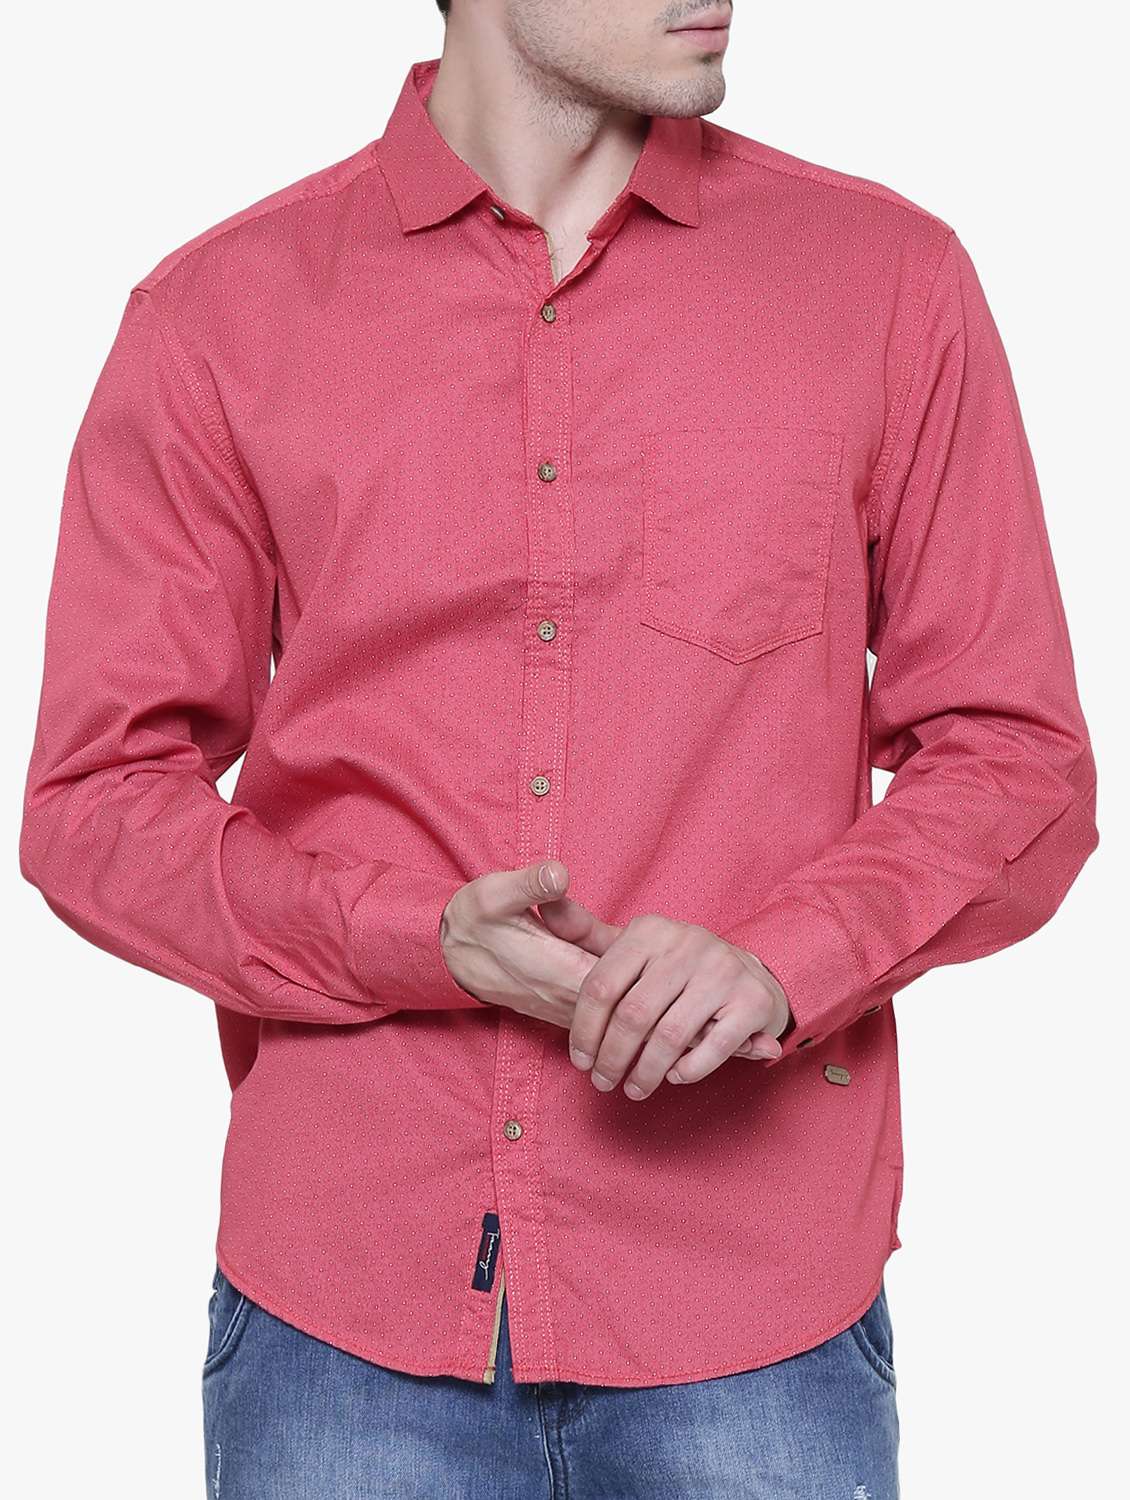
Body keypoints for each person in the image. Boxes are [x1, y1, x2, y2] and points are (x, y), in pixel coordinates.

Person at [20, 2, 1098, 1496]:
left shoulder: (883, 281)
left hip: (749, 1307)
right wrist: (411, 940)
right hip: (347, 1301)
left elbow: (1016, 754)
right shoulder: (222, 314)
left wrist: (785, 957)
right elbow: (96, 803)